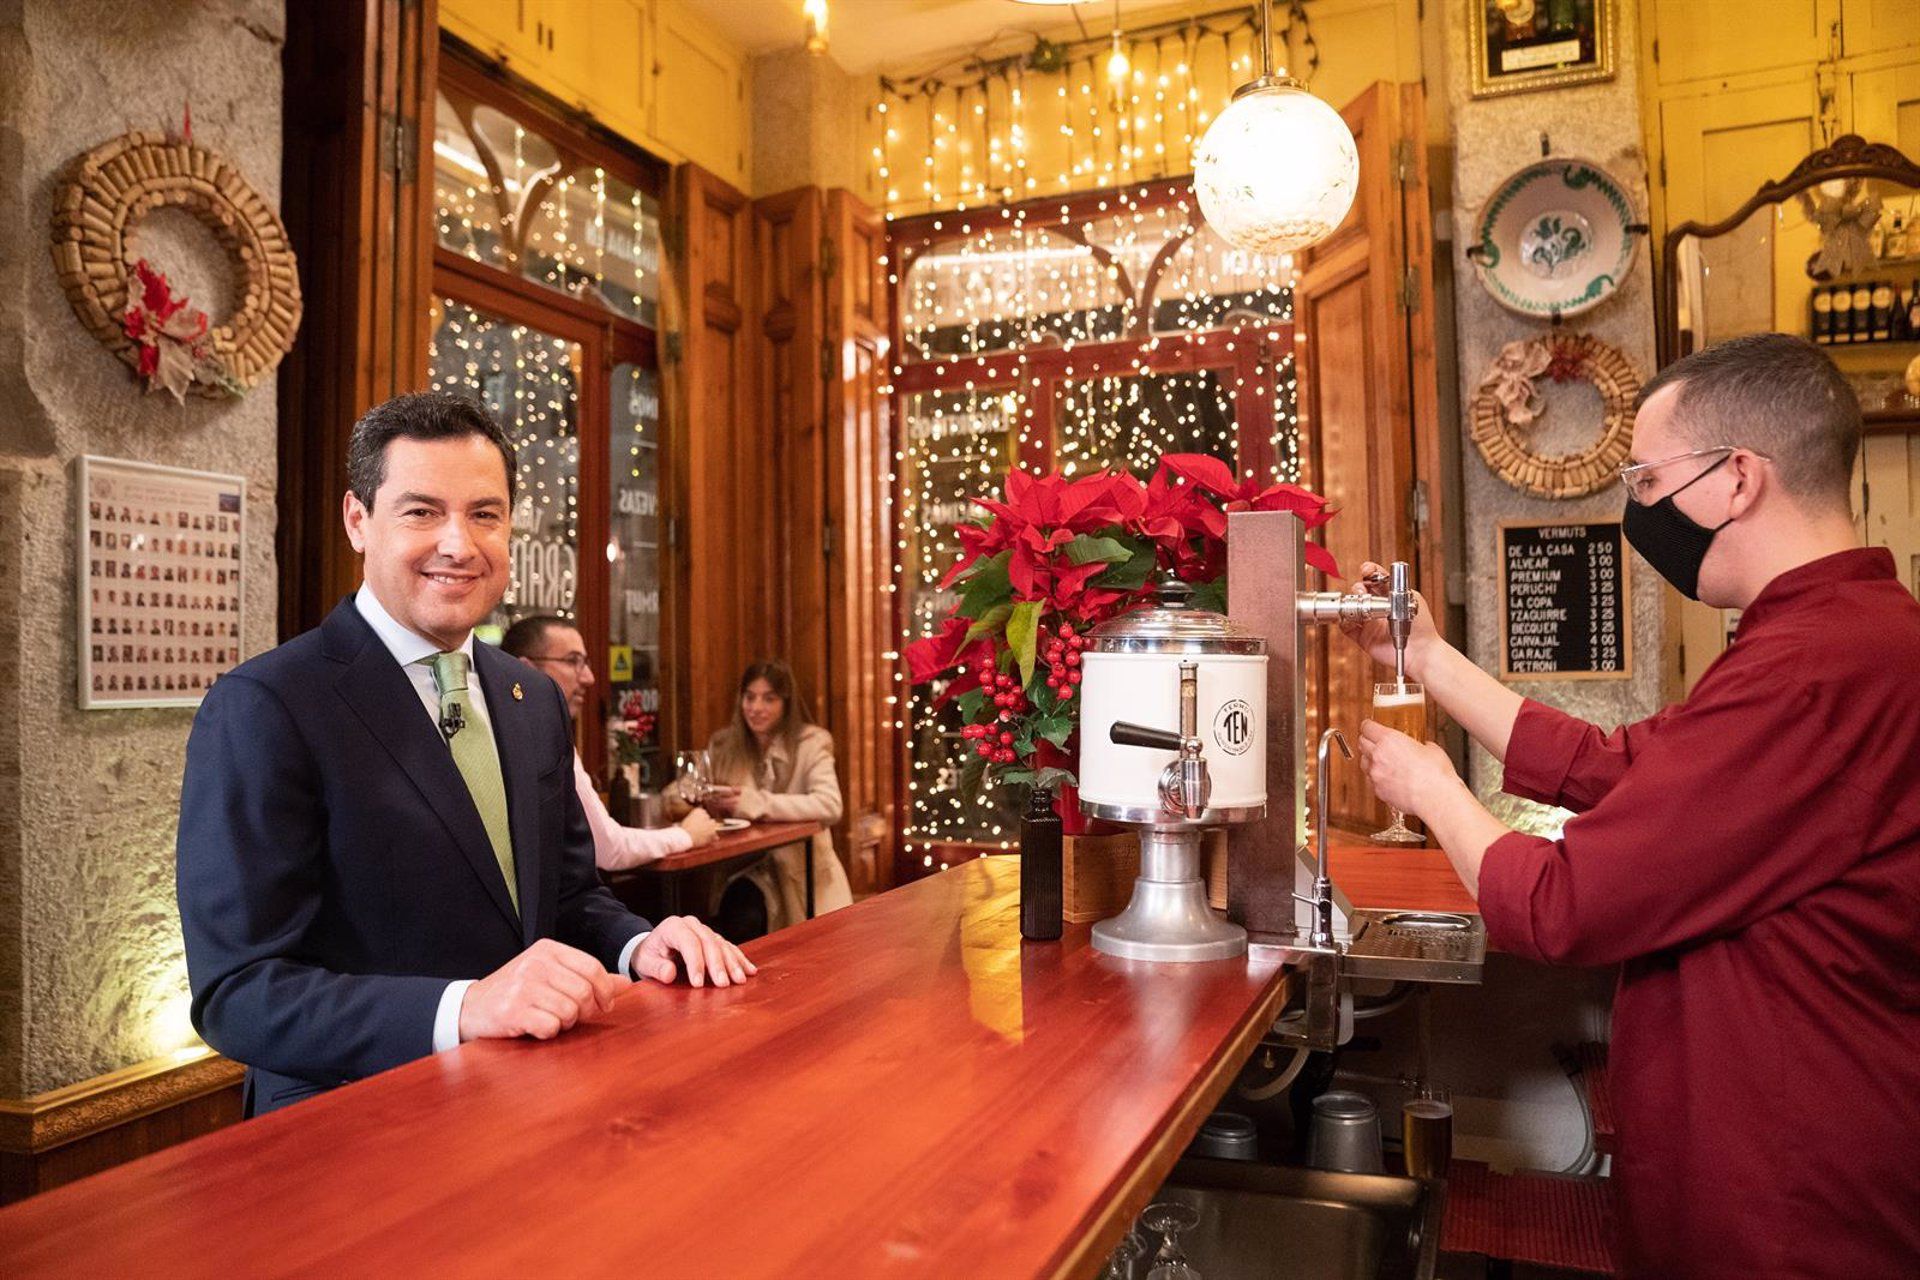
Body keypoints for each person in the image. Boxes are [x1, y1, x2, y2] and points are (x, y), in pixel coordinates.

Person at [1340, 334, 1920, 1278]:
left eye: (1648, 481)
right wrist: (1427, 660)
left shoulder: (1814, 668)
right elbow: (1620, 768)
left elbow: (1563, 905)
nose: (1637, 512)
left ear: (1738, 479)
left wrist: (1432, 790)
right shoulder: (1839, 637)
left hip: (1788, 1202)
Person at [177, 392, 754, 1117]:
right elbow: (239, 992)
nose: (459, 543)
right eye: (421, 512)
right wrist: (465, 1008)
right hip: (352, 1126)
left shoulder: (530, 697)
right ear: (359, 521)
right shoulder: (267, 706)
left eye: (484, 514)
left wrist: (642, 947)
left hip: (536, 1102)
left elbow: (568, 897)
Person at [499, 614, 718, 869]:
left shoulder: (512, 728)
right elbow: (609, 849)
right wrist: (686, 835)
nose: (589, 678)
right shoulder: (545, 740)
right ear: (527, 669)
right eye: (573, 661)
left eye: (586, 663)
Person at [703, 660, 852, 939]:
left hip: (802, 874)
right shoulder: (725, 744)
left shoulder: (811, 742)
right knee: (740, 915)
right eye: (750, 697)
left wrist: (756, 803)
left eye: (768, 698)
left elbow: (830, 805)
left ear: (786, 703)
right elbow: (692, 785)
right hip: (743, 868)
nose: (756, 708)